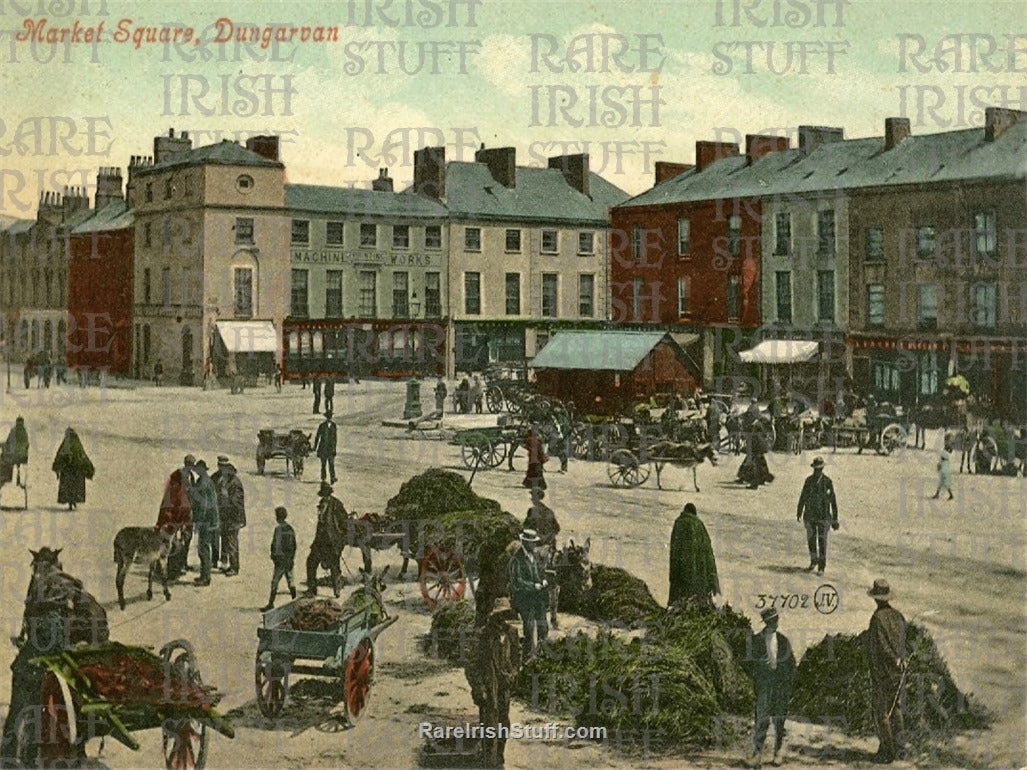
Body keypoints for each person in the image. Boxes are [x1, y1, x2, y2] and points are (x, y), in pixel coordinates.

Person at [465, 596, 520, 768]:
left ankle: (499, 758)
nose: (502, 619)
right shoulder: (483, 635)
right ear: (493, 617)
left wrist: (513, 673)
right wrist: (478, 687)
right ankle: (489, 761)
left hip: (504, 686)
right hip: (489, 685)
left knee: (504, 722)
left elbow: (517, 657)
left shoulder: (512, 633)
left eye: (505, 615)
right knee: (489, 726)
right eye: (499, 616)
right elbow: (471, 664)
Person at [744, 608, 796, 769]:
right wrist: (757, 674)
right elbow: (747, 663)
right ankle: (757, 754)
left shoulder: (783, 640)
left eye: (776, 620)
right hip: (764, 684)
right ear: (766, 622)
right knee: (762, 718)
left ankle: (778, 751)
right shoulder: (756, 640)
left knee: (779, 718)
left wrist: (788, 683)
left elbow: (791, 664)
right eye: (771, 620)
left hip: (780, 685)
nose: (774, 623)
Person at [866, 579, 907, 764]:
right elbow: (903, 642)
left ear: (876, 598)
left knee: (881, 712)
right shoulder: (898, 616)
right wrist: (900, 659)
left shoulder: (877, 619)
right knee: (896, 709)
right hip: (899, 671)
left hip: (883, 672)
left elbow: (879, 647)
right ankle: (900, 748)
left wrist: (876, 670)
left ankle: (887, 751)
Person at [668, 502, 720, 606]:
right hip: (699, 574)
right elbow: (708, 552)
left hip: (682, 571)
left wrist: (673, 573)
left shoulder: (679, 522)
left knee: (682, 598)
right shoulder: (699, 525)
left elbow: (674, 549)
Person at [508, 528, 549, 658]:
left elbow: (538, 573)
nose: (535, 545)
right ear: (525, 543)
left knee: (543, 625)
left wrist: (543, 581)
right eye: (533, 543)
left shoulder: (534, 556)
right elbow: (517, 582)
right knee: (529, 627)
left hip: (536, 596)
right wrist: (533, 586)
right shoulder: (516, 559)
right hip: (522, 598)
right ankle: (526, 657)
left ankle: (542, 652)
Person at [304, 482, 350, 598]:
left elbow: (344, 522)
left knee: (334, 566)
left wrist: (340, 539)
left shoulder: (336, 504)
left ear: (329, 494)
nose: (324, 497)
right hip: (320, 541)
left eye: (326, 494)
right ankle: (312, 589)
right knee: (311, 562)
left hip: (332, 542)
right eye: (323, 495)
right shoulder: (321, 504)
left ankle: (337, 589)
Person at [796, 457, 839, 576]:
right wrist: (799, 511)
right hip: (810, 516)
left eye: (819, 469)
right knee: (811, 540)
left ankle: (821, 566)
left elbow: (833, 501)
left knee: (822, 541)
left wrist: (835, 519)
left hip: (823, 517)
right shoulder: (808, 481)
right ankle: (813, 561)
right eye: (816, 469)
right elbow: (803, 497)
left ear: (822, 468)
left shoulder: (827, 482)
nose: (817, 471)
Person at [159, 456, 194, 579]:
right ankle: (173, 570)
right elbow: (173, 498)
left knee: (186, 540)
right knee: (176, 542)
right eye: (189, 464)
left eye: (192, 464)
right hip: (177, 515)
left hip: (187, 514)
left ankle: (183, 563)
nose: (191, 466)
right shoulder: (177, 477)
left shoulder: (191, 476)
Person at [212, 455, 246, 576]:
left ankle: (234, 567)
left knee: (232, 542)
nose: (221, 469)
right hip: (222, 516)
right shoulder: (216, 477)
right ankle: (225, 563)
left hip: (233, 517)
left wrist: (226, 498)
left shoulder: (234, 482)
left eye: (224, 467)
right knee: (225, 540)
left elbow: (238, 501)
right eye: (220, 466)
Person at [188, 459, 220, 586]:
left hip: (206, 521)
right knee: (204, 548)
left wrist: (199, 522)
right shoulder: (206, 480)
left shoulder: (203, 482)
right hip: (211, 520)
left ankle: (205, 578)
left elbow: (204, 505)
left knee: (203, 548)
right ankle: (204, 575)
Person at [263, 506, 297, 611]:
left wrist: (274, 556)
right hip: (289, 560)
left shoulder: (278, 529)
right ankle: (295, 602)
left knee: (275, 582)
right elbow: (294, 546)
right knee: (291, 580)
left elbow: (276, 546)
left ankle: (271, 603)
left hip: (280, 561)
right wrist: (291, 558)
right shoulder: (290, 529)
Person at [51, 428, 94, 511]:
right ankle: (74, 501)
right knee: (76, 487)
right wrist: (89, 469)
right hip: (77, 471)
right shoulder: (78, 444)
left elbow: (60, 455)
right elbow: (83, 456)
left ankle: (70, 502)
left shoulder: (65, 444)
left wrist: (57, 467)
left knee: (68, 487)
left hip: (67, 471)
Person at [1, 417, 29, 489]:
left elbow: (9, 443)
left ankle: (6, 478)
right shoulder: (25, 432)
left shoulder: (13, 430)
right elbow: (27, 445)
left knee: (3, 459)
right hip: (23, 457)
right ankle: (18, 480)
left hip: (13, 457)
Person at [314, 409, 338, 485]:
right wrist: (315, 447)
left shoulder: (334, 426)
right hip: (323, 448)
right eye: (328, 417)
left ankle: (332, 478)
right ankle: (323, 478)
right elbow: (317, 437)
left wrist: (334, 448)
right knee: (323, 464)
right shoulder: (322, 426)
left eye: (330, 417)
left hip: (331, 449)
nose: (329, 418)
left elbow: (335, 438)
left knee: (331, 464)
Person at [522, 426, 547, 493]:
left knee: (532, 470)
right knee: (537, 470)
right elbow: (540, 449)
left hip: (533, 457)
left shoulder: (529, 439)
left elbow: (527, 446)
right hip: (537, 457)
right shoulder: (537, 440)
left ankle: (529, 483)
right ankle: (538, 484)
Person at [931, 436, 954, 500]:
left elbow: (943, 458)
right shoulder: (946, 450)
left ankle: (951, 495)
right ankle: (937, 494)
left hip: (944, 467)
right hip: (944, 466)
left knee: (944, 481)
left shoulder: (947, 451)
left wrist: (939, 465)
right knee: (941, 482)